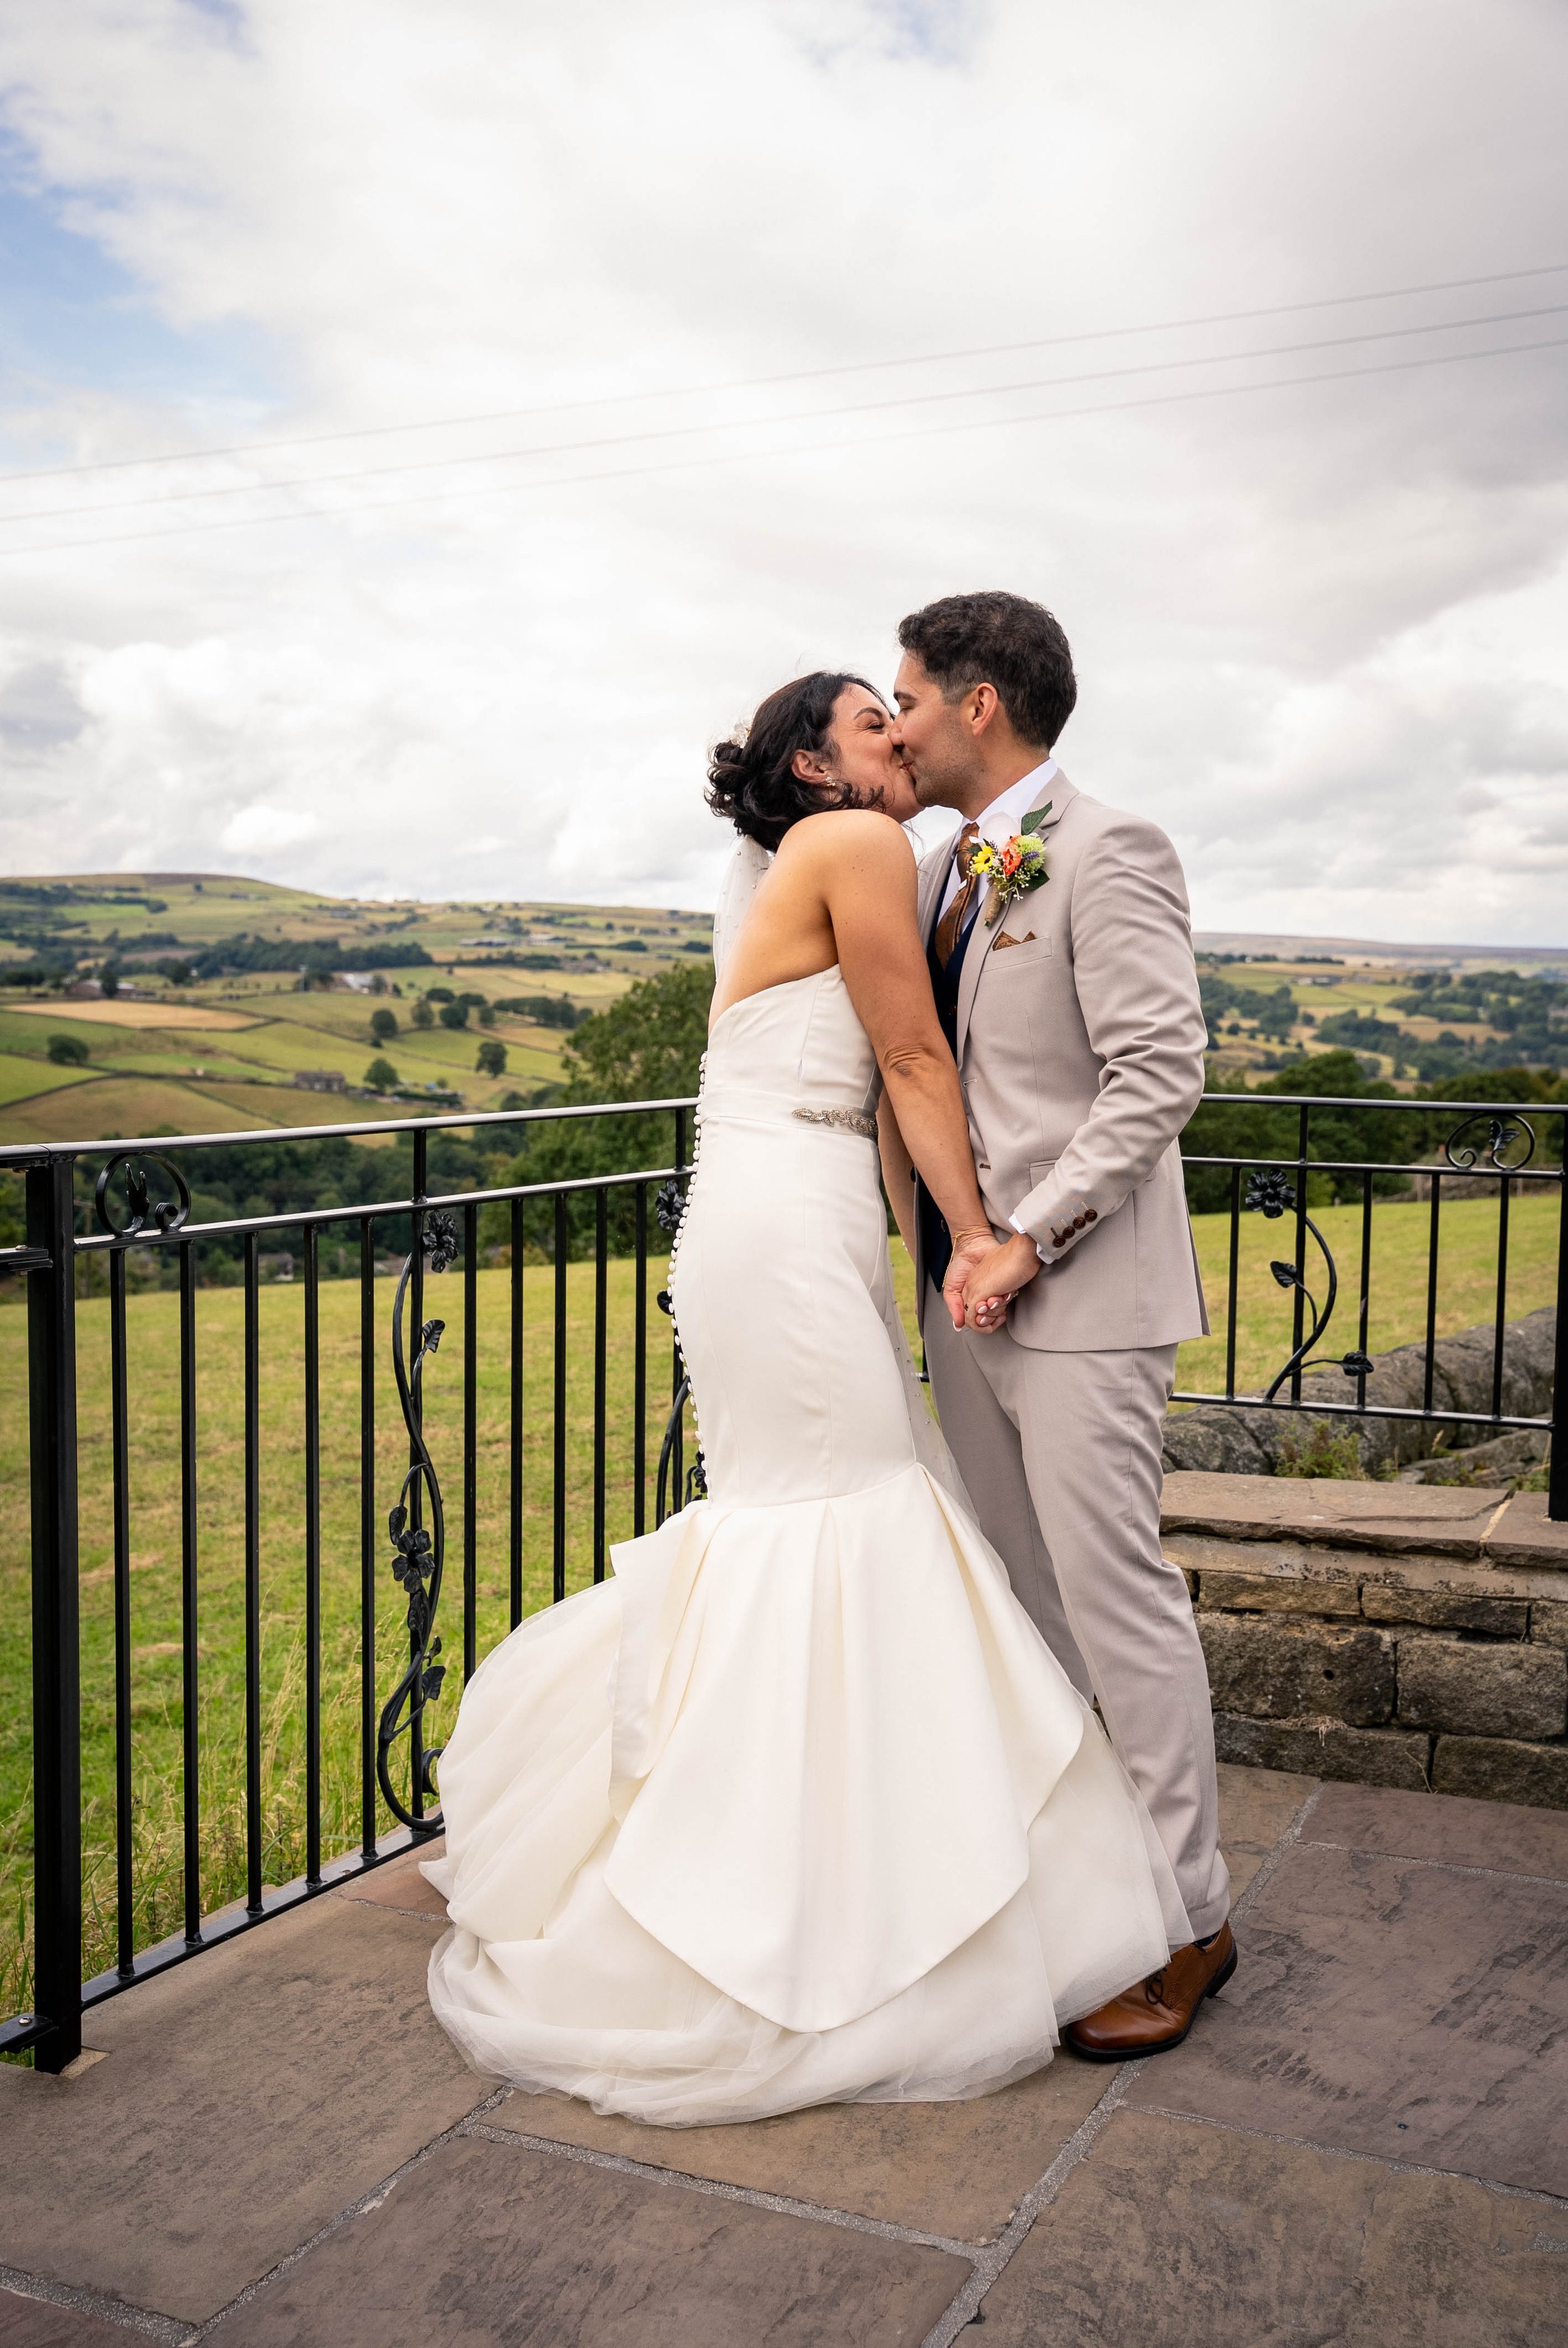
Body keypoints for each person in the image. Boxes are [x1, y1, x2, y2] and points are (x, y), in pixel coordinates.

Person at [422, 669, 1194, 2127]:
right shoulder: (846, 846)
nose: (890, 734)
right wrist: (976, 1241)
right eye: (863, 719)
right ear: (808, 764)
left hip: (788, 1209)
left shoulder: (828, 855)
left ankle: (820, 1854)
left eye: (896, 708)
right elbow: (907, 1055)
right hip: (786, 1220)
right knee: (842, 1521)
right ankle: (786, 1893)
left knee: (826, 1520)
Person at [884, 591, 1234, 2059]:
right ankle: (1076, 1898)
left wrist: (1029, 1241)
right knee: (1022, 1612)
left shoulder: (1107, 848)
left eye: (905, 696)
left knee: (1116, 1604)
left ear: (977, 703)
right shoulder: (926, 869)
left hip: (1077, 1298)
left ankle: (1191, 1921)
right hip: (957, 1300)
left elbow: (1159, 1074)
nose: (892, 722)